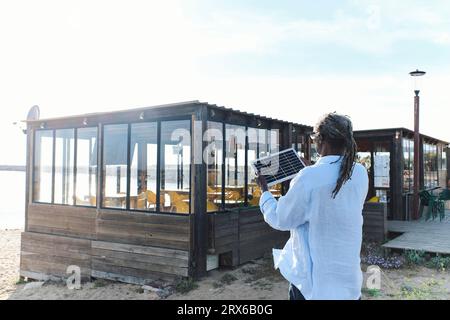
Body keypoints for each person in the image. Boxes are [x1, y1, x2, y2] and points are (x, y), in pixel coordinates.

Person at [257, 112, 368, 300]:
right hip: (349, 286)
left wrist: (265, 192)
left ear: (321, 139)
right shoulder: (359, 173)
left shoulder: (308, 178)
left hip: (314, 288)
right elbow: (331, 195)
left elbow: (280, 219)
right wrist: (310, 171)